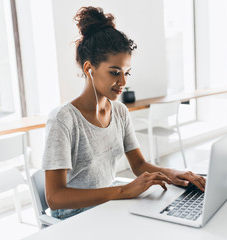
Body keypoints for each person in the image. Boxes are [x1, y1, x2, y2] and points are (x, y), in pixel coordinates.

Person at [42, 6, 206, 220]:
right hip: (74, 218)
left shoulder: (119, 111)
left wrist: (174, 174)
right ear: (89, 68)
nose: (123, 82)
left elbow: (138, 165)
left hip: (106, 207)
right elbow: (55, 198)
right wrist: (124, 191)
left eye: (126, 72)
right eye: (114, 72)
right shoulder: (63, 119)